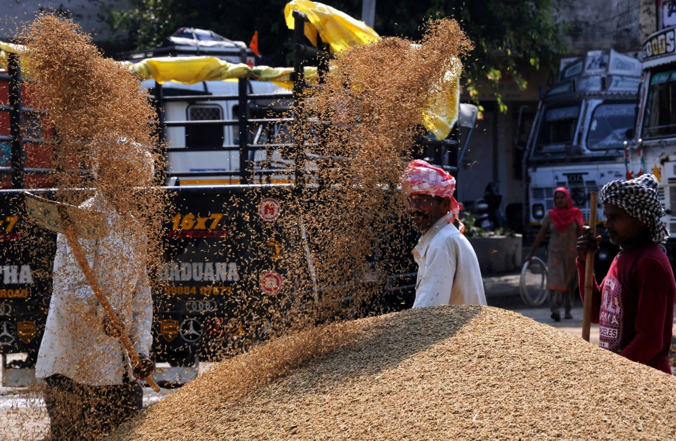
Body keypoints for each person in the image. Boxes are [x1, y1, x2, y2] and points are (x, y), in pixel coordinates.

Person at [35, 192, 155, 440]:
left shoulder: (134, 229)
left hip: (120, 371)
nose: (128, 183)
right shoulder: (81, 220)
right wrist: (101, 316)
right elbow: (68, 289)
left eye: (135, 175)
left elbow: (141, 299)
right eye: (123, 172)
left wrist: (141, 351)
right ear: (103, 172)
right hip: (74, 370)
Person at [577, 174, 675, 374]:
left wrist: (611, 374)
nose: (606, 224)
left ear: (639, 219)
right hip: (622, 378)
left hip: (645, 380)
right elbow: (595, 312)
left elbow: (649, 341)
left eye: (614, 217)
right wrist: (583, 263)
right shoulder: (623, 256)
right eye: (606, 216)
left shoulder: (649, 263)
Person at [400, 159, 486, 307]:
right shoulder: (443, 237)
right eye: (410, 201)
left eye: (422, 199)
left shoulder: (441, 243)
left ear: (444, 205)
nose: (412, 208)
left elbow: (428, 313)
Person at [526, 187, 583, 322]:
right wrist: (530, 254)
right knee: (555, 280)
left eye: (562, 197)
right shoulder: (550, 215)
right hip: (555, 253)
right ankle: (555, 310)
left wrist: (584, 254)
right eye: (556, 198)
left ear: (567, 198)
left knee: (570, 282)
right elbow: (540, 235)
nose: (559, 200)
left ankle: (568, 309)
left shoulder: (576, 214)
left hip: (571, 254)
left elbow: (581, 234)